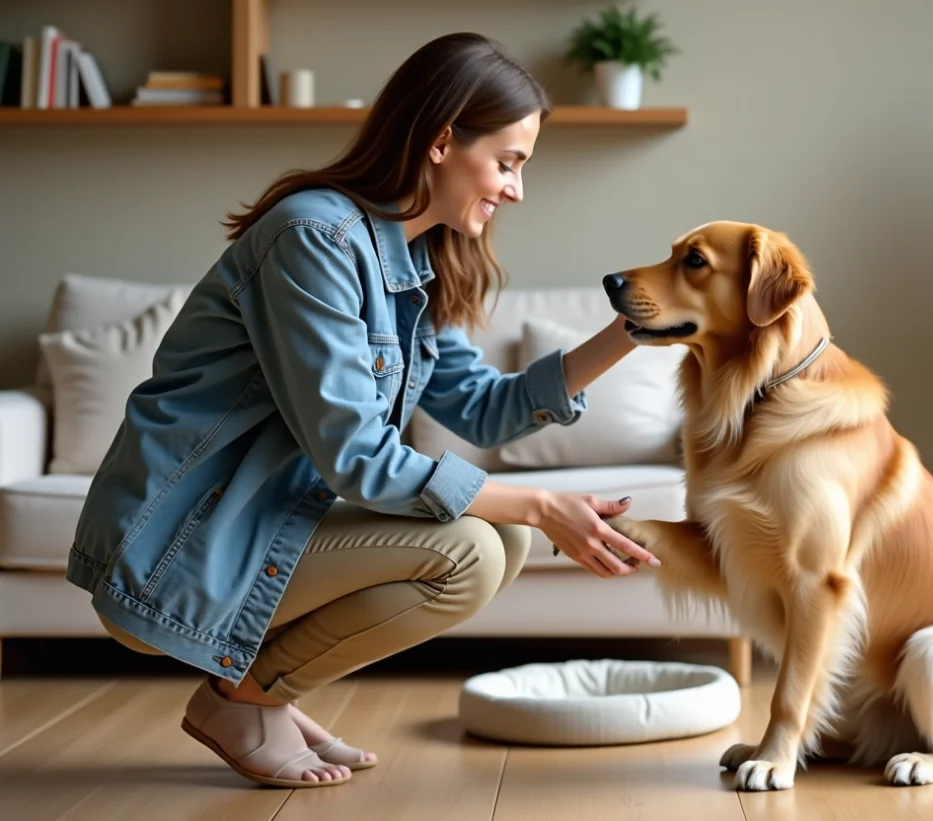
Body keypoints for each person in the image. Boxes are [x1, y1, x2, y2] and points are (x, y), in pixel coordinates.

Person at [65, 31, 659, 790]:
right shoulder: (315, 237)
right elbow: (357, 459)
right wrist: (543, 504)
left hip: (266, 525)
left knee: (500, 539)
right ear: (443, 141)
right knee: (471, 552)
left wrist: (632, 329)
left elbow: (484, 410)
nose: (515, 189)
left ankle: (259, 694)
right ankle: (245, 700)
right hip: (182, 544)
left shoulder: (416, 259)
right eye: (509, 162)